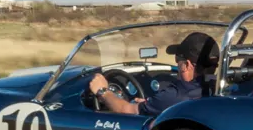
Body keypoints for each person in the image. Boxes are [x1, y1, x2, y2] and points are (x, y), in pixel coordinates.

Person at [87, 31, 220, 115]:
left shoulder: (175, 96)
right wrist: (150, 103)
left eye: (178, 61)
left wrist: (102, 91)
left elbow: (126, 110)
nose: (177, 66)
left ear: (186, 65)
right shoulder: (218, 89)